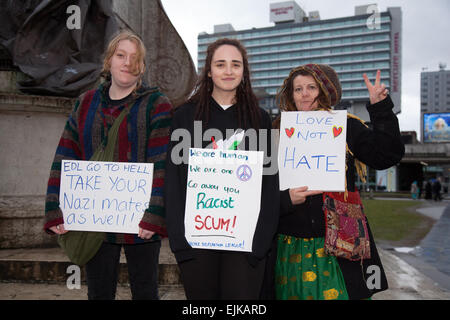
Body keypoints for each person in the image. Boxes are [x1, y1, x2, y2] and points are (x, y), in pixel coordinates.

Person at [43, 30, 173, 300]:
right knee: (99, 292)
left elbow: (161, 163)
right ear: (109, 62)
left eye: (135, 58)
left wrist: (155, 215)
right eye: (121, 55)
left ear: (143, 67)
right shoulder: (85, 103)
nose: (128, 63)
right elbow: (66, 154)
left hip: (140, 220)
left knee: (146, 291)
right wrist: (55, 208)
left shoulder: (157, 105)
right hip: (94, 218)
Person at [272, 64, 404, 300]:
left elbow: (386, 155)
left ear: (324, 90)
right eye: (298, 88)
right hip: (289, 239)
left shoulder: (347, 126)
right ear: (290, 94)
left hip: (342, 239)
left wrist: (380, 108)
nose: (304, 94)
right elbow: (263, 185)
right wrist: (284, 199)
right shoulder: (277, 130)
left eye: (311, 87)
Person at [164, 38, 279, 300]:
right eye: (220, 64)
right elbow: (173, 181)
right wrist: (180, 241)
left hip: (246, 244)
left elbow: (269, 184)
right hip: (197, 243)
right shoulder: (184, 116)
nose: (228, 71)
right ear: (208, 71)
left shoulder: (259, 118)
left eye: (235, 64)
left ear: (244, 71)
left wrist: (260, 243)